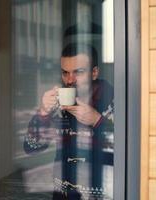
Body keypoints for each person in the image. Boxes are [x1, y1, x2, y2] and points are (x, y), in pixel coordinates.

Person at [24, 43, 114, 200]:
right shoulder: (59, 102)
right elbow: (32, 148)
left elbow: (125, 152)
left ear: (94, 73)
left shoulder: (112, 99)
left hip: (101, 193)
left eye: (78, 72)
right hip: (62, 194)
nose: (70, 80)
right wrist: (43, 113)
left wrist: (97, 120)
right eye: (65, 73)